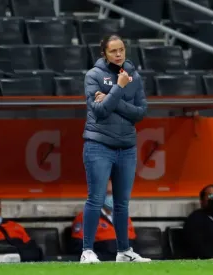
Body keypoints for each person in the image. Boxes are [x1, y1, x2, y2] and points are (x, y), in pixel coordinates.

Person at [81, 34, 149, 263]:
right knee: (96, 198)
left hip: (127, 147)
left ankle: (124, 252)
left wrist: (112, 99)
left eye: (121, 50)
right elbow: (99, 112)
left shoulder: (135, 77)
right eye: (113, 51)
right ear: (104, 53)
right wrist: (119, 87)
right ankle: (87, 251)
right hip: (99, 144)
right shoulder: (93, 75)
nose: (118, 54)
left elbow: (140, 113)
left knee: (122, 202)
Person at [69, 180, 138, 261]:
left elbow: (133, 240)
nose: (112, 197)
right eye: (109, 193)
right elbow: (78, 244)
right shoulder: (86, 216)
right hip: (102, 260)